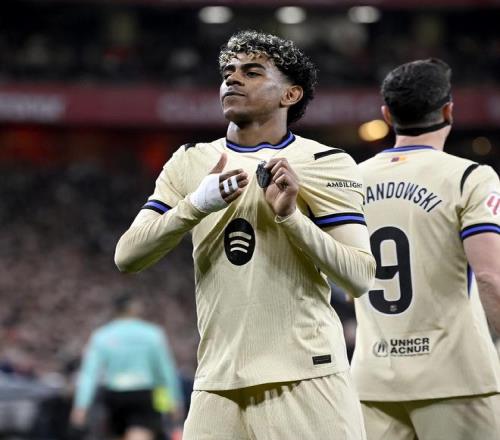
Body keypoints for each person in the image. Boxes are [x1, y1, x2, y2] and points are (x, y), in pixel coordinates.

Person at [115, 30, 375, 439]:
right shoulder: (190, 162)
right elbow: (127, 256)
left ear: (290, 94)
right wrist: (194, 205)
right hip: (216, 382)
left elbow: (359, 277)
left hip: (306, 377)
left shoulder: (324, 162)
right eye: (228, 73)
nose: (232, 79)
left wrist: (291, 217)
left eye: (252, 72)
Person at [351, 58, 500, 439]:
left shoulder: (351, 181)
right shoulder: (470, 177)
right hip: (456, 380)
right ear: (449, 111)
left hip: (372, 381)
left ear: (387, 114)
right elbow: (489, 276)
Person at [70, 291, 183, 440]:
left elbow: (89, 374)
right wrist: (174, 400)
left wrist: (81, 406)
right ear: (134, 308)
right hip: (143, 393)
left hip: (114, 394)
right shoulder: (152, 334)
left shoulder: (101, 336)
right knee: (141, 433)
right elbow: (164, 371)